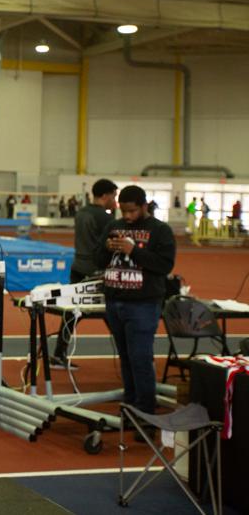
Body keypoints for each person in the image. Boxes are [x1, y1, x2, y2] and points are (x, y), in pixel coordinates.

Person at [96, 185, 176, 438]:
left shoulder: (160, 231)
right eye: (123, 211)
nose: (127, 216)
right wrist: (107, 249)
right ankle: (130, 408)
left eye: (132, 211)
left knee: (141, 359)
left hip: (143, 303)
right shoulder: (113, 226)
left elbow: (164, 265)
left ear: (144, 206)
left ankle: (146, 416)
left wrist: (134, 251)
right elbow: (96, 261)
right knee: (127, 358)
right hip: (115, 301)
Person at [50, 178, 117, 370]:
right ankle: (127, 352)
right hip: (95, 271)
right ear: (105, 195)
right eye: (114, 195)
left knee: (72, 313)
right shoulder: (106, 218)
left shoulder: (81, 212)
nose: (115, 200)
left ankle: (58, 353)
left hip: (78, 266)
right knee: (110, 312)